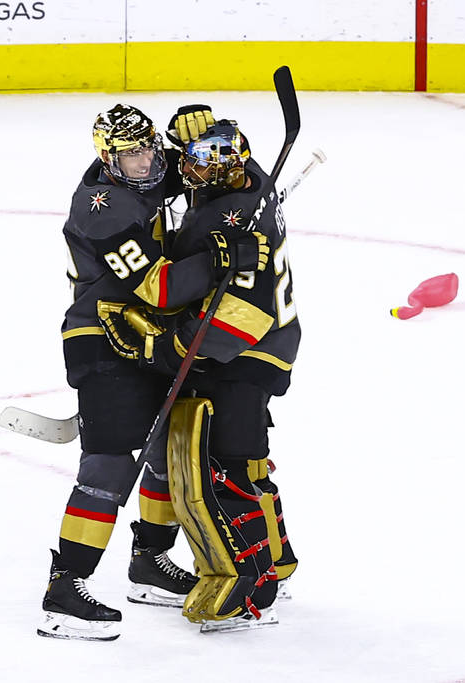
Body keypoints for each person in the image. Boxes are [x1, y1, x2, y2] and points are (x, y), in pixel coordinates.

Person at [38, 106, 267, 641]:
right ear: (107, 159)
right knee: (109, 465)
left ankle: (149, 564)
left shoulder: (160, 164)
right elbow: (160, 289)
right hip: (101, 337)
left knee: (166, 453)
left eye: (147, 149)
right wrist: (219, 258)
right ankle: (65, 590)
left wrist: (230, 153)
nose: (144, 163)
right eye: (129, 156)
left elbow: (218, 163)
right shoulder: (103, 209)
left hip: (152, 339)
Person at [129, 118, 300, 631]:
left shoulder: (231, 217)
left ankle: (251, 584)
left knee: (222, 467)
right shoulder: (250, 181)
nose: (190, 172)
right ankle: (278, 562)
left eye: (201, 165)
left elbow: (244, 308)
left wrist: (174, 348)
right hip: (267, 348)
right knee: (248, 464)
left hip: (242, 354)